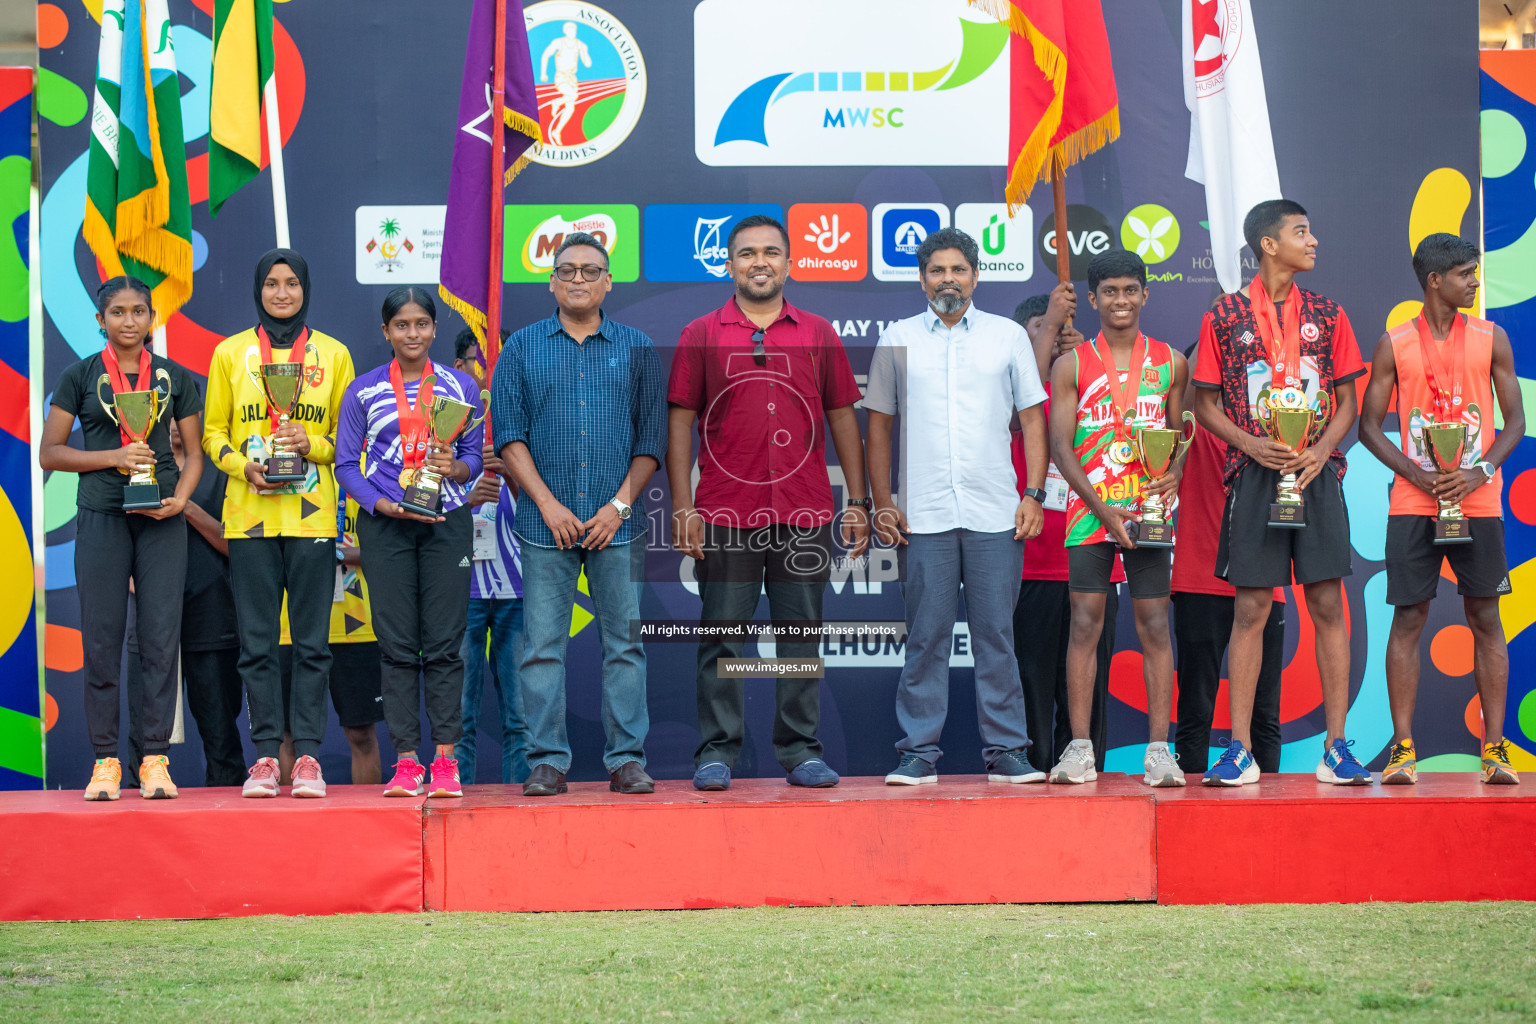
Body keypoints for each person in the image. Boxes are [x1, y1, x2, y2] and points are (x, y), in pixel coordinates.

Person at [668, 214, 870, 791]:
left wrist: (857, 501)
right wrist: (684, 507)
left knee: (800, 635)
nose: (760, 262)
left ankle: (800, 750)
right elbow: (679, 424)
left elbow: (841, 420)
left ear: (789, 263)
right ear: (728, 264)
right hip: (725, 511)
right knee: (722, 634)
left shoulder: (818, 332)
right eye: (748, 253)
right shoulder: (701, 333)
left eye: (772, 252)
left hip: (803, 510)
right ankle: (716, 751)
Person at [1192, 199, 1370, 786]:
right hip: (1256, 472)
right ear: (1269, 245)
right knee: (1251, 608)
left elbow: (1349, 401)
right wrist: (1248, 442)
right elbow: (1203, 403)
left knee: (1326, 606)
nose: (1312, 240)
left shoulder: (1328, 312)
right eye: (1301, 231)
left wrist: (1322, 450)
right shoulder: (1223, 315)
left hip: (1317, 474)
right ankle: (1239, 749)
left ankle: (1338, 747)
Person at [865, 226, 1046, 786]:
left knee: (996, 638)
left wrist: (1034, 493)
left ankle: (1007, 752)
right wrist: (883, 502)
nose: (949, 279)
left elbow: (1034, 419)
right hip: (922, 516)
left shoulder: (1008, 336)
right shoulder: (897, 338)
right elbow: (878, 425)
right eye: (937, 270)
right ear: (922, 280)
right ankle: (918, 752)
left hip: (996, 511)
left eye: (959, 269)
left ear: (975, 275)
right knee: (925, 639)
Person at [496, 232, 663, 798]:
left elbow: (652, 440)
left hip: (619, 527)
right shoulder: (519, 349)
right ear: (551, 280)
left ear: (608, 281)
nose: (577, 280)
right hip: (546, 527)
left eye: (591, 271)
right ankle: (546, 761)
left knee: (624, 645)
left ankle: (626, 761)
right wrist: (547, 504)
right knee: (542, 647)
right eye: (566, 271)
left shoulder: (637, 346)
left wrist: (617, 506)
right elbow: (508, 436)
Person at [1358, 233, 1522, 785]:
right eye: (1466, 275)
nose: (1475, 282)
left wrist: (1481, 469)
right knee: (1408, 618)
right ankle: (1402, 749)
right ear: (1435, 281)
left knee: (1485, 619)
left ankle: (1495, 750)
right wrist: (1418, 474)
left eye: (1475, 274)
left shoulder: (1492, 337)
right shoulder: (1394, 344)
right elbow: (1367, 426)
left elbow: (1515, 421)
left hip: (1477, 499)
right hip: (1412, 503)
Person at [40, 276, 203, 800]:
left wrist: (181, 498)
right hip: (102, 519)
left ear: (152, 317)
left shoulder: (174, 377)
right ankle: (105, 761)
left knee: (159, 640)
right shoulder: (79, 377)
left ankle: (155, 759)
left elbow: (195, 454)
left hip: (161, 520)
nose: (129, 321)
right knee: (104, 641)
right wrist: (113, 457)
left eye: (139, 312)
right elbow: (51, 453)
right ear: (100, 321)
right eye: (118, 313)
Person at [203, 249, 356, 799]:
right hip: (249, 517)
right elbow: (212, 433)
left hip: (313, 516)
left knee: (313, 643)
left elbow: (347, 440)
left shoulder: (333, 356)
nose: (282, 293)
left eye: (291, 283)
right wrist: (242, 466)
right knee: (258, 644)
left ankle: (309, 757)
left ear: (305, 289)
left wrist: (306, 444)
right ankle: (266, 756)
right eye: (271, 283)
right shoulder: (229, 353)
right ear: (258, 289)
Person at [336, 286, 483, 798]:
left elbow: (474, 459)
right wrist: (380, 505)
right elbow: (345, 465)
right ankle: (405, 762)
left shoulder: (461, 387)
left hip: (446, 523)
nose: (412, 333)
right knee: (397, 646)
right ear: (386, 332)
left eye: (421, 323)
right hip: (387, 524)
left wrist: (455, 467)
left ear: (434, 329)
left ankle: (445, 761)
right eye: (402, 325)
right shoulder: (362, 391)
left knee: (444, 644)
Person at [1048, 250, 1187, 786]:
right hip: (1090, 510)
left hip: (1150, 509)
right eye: (1110, 291)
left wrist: (1173, 473)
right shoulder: (1072, 364)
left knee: (1154, 623)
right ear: (1093, 298)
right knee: (1085, 621)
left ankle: (1158, 750)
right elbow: (1061, 446)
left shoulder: (1171, 361)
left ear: (1146, 294)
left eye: (1131, 290)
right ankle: (1080, 748)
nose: (1121, 300)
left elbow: (1180, 438)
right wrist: (1101, 508)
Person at [1010, 285, 1122, 775]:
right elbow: (1029, 395)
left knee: (1089, 687)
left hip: (1092, 558)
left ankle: (1083, 765)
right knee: (1030, 682)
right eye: (1040, 331)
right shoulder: (1018, 395)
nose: (1054, 341)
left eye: (1060, 333)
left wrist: (1072, 351)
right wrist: (1053, 323)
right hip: (1032, 568)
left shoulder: (1094, 381)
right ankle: (1032, 767)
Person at [1173, 334, 1287, 777]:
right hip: (1198, 581)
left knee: (1265, 714)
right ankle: (1186, 818)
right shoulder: (1191, 431)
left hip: (1261, 582)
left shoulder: (1274, 429)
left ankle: (1271, 807)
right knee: (1196, 708)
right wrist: (1217, 329)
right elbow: (1189, 398)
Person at [124, 418, 245, 787]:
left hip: (211, 613)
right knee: (142, 737)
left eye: (182, 416)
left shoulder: (221, 470)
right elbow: (118, 537)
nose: (175, 425)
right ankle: (131, 821)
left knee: (220, 732)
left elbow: (236, 545)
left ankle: (226, 828)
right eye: (167, 417)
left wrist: (186, 505)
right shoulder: (137, 465)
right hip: (152, 615)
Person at [454, 328, 528, 785]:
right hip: (460, 586)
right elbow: (422, 505)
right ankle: (452, 797)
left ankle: (520, 802)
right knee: (459, 709)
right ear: (457, 367)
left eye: (492, 361)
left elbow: (546, 507)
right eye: (472, 361)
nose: (482, 372)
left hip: (517, 585)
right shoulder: (437, 422)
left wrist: (513, 474)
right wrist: (465, 496)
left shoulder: (525, 418)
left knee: (520, 711)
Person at [275, 493, 386, 787]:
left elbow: (387, 546)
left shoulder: (364, 469)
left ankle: (370, 828)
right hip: (292, 626)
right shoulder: (289, 465)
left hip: (356, 625)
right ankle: (287, 828)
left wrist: (334, 553)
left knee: (361, 733)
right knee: (289, 736)